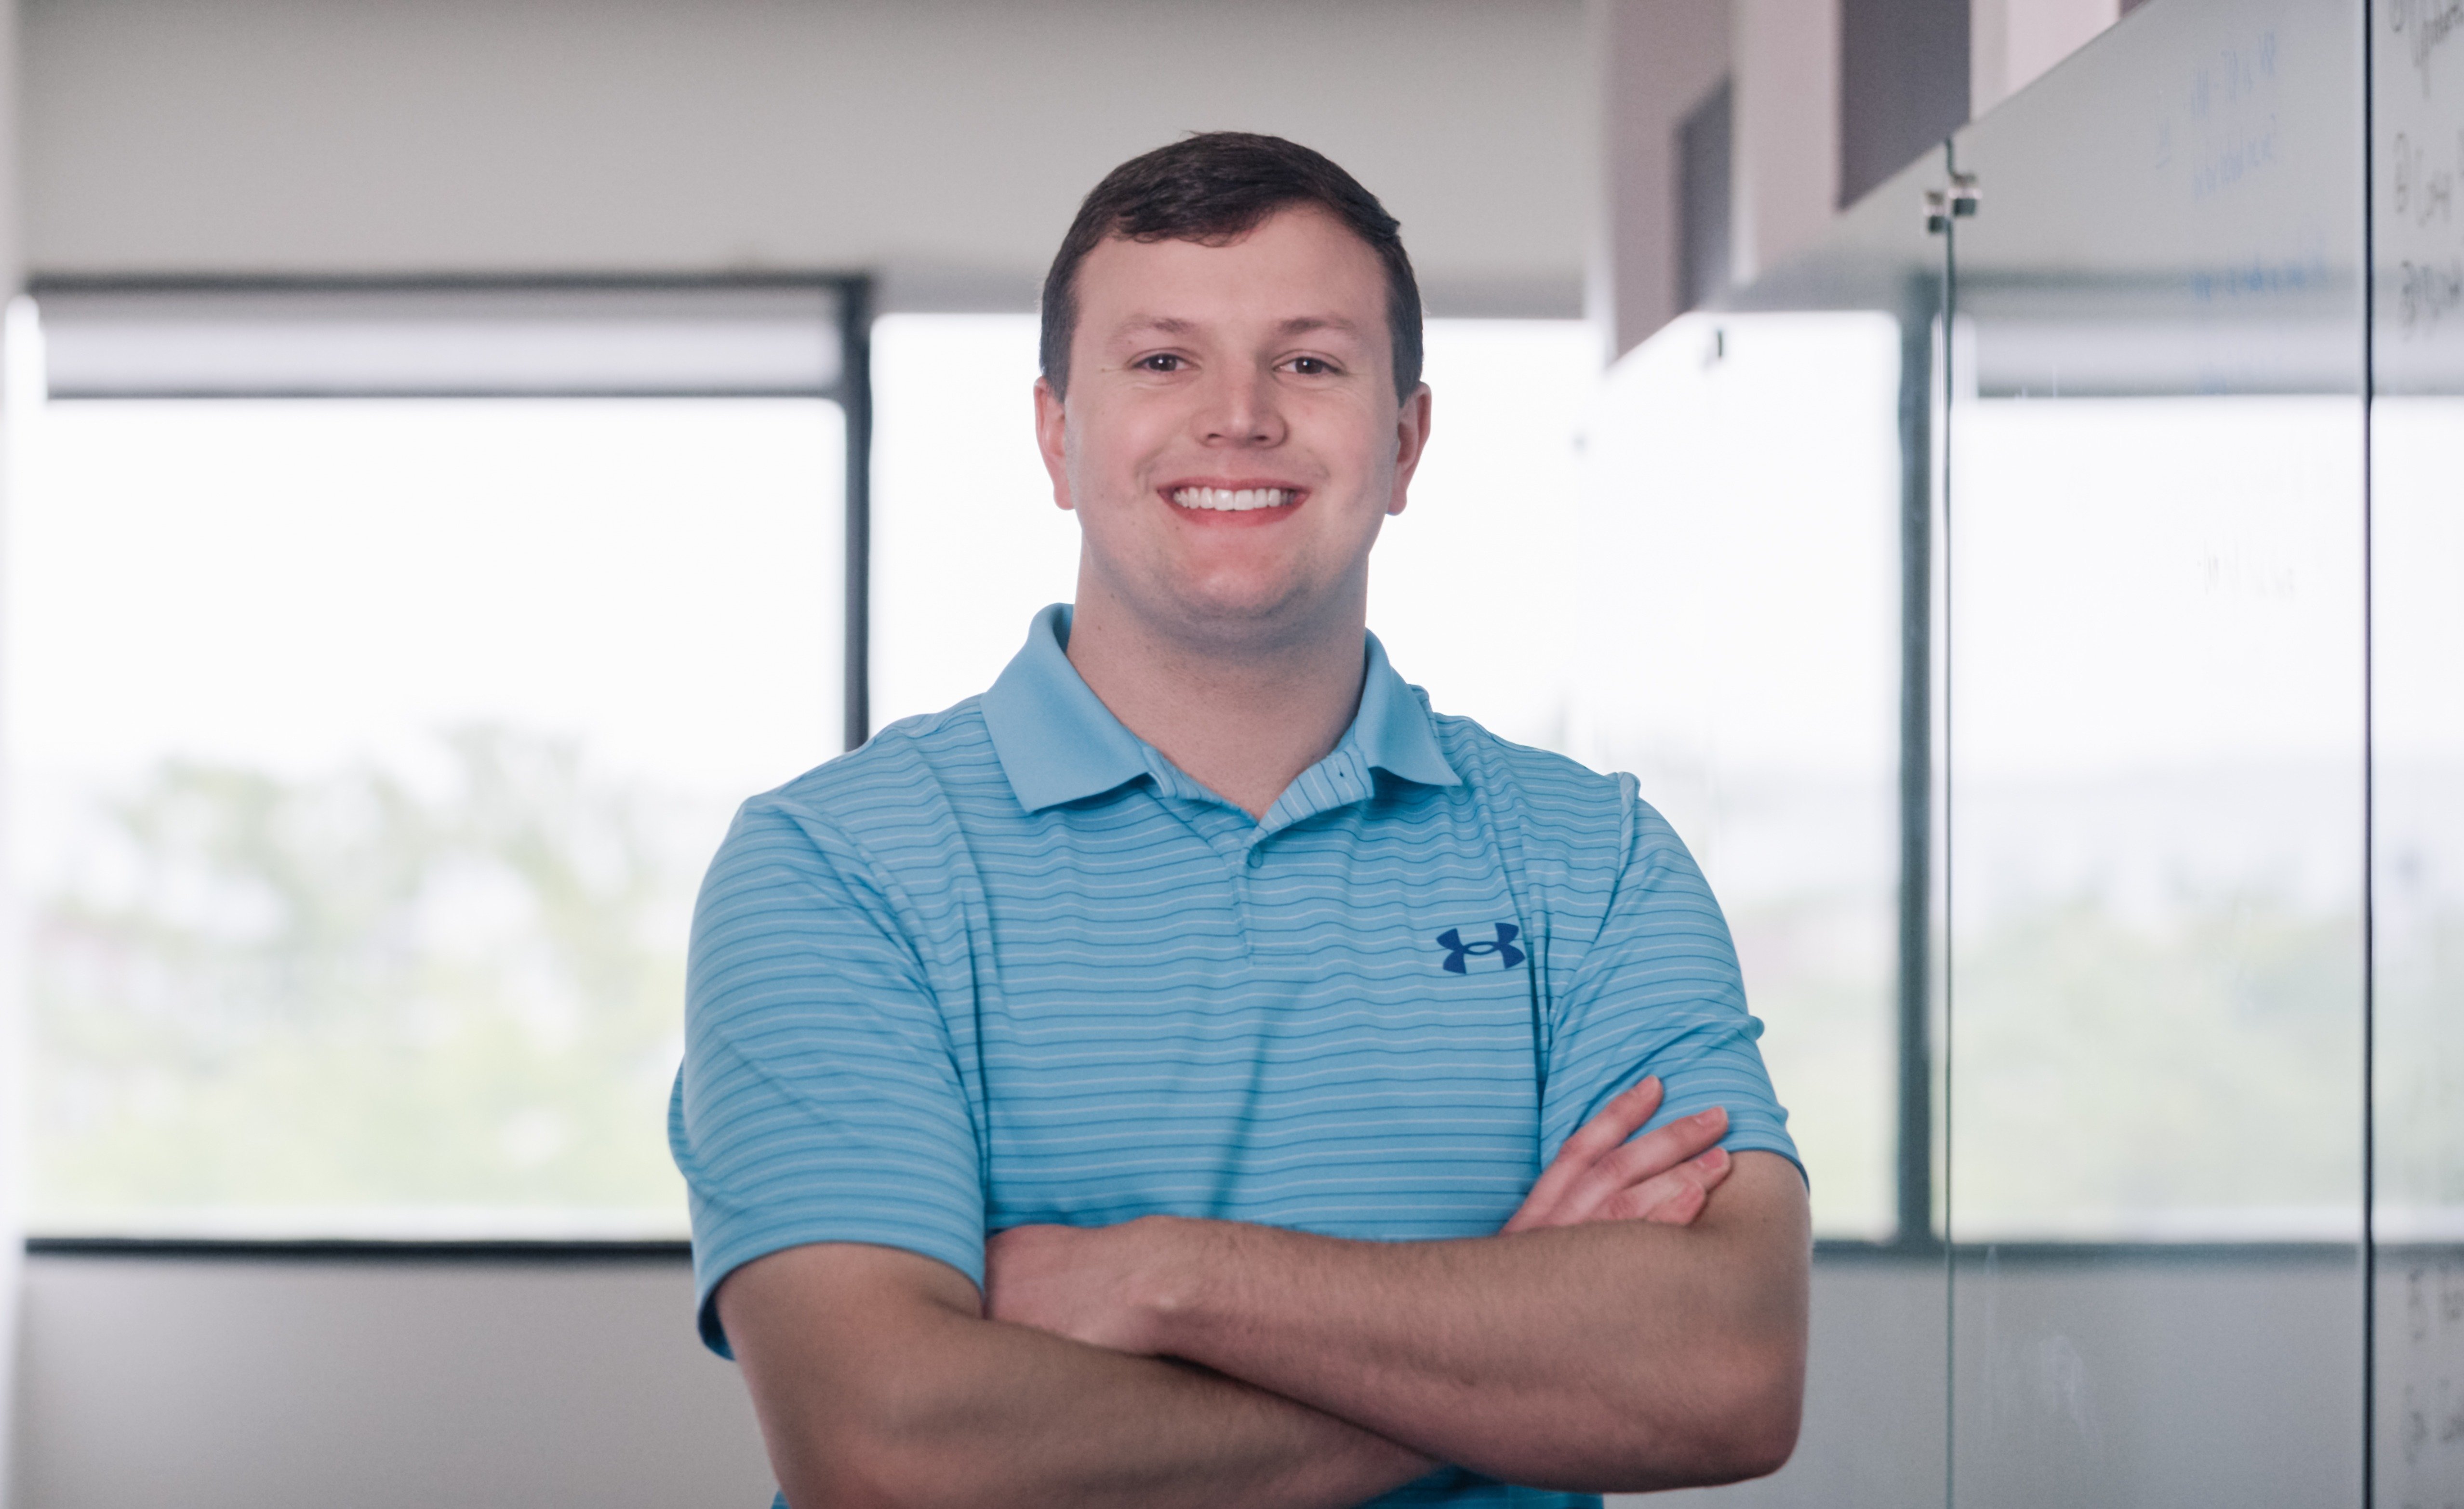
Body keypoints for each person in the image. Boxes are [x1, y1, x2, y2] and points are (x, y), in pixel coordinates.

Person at [670, 132, 1809, 1509]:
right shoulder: (834, 868)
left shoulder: (1596, 860)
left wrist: (1165, 1276)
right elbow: (891, 1448)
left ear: (1402, 440)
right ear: (1056, 434)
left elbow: (1727, 1371)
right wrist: (1506, 1366)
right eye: (1162, 361)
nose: (1239, 417)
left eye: (1310, 361)